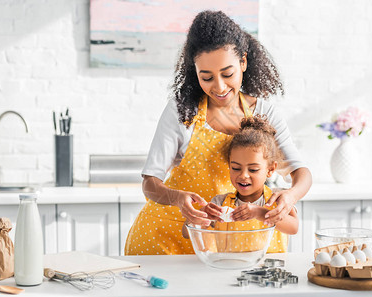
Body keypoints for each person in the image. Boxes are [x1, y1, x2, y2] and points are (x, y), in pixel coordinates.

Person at [125, 10, 311, 255]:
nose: (220, 87)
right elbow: (150, 184)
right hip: (166, 238)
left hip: (223, 244)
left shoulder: (265, 113)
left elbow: (301, 173)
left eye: (227, 73)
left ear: (243, 62)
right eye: (207, 77)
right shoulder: (182, 111)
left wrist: (290, 196)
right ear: (196, 72)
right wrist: (179, 199)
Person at [182, 115, 298, 253]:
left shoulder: (277, 199)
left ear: (270, 169)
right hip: (230, 268)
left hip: (269, 272)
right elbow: (185, 232)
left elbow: (293, 228)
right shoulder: (220, 202)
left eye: (253, 169)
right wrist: (202, 214)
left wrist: (260, 213)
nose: (243, 175)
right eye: (236, 168)